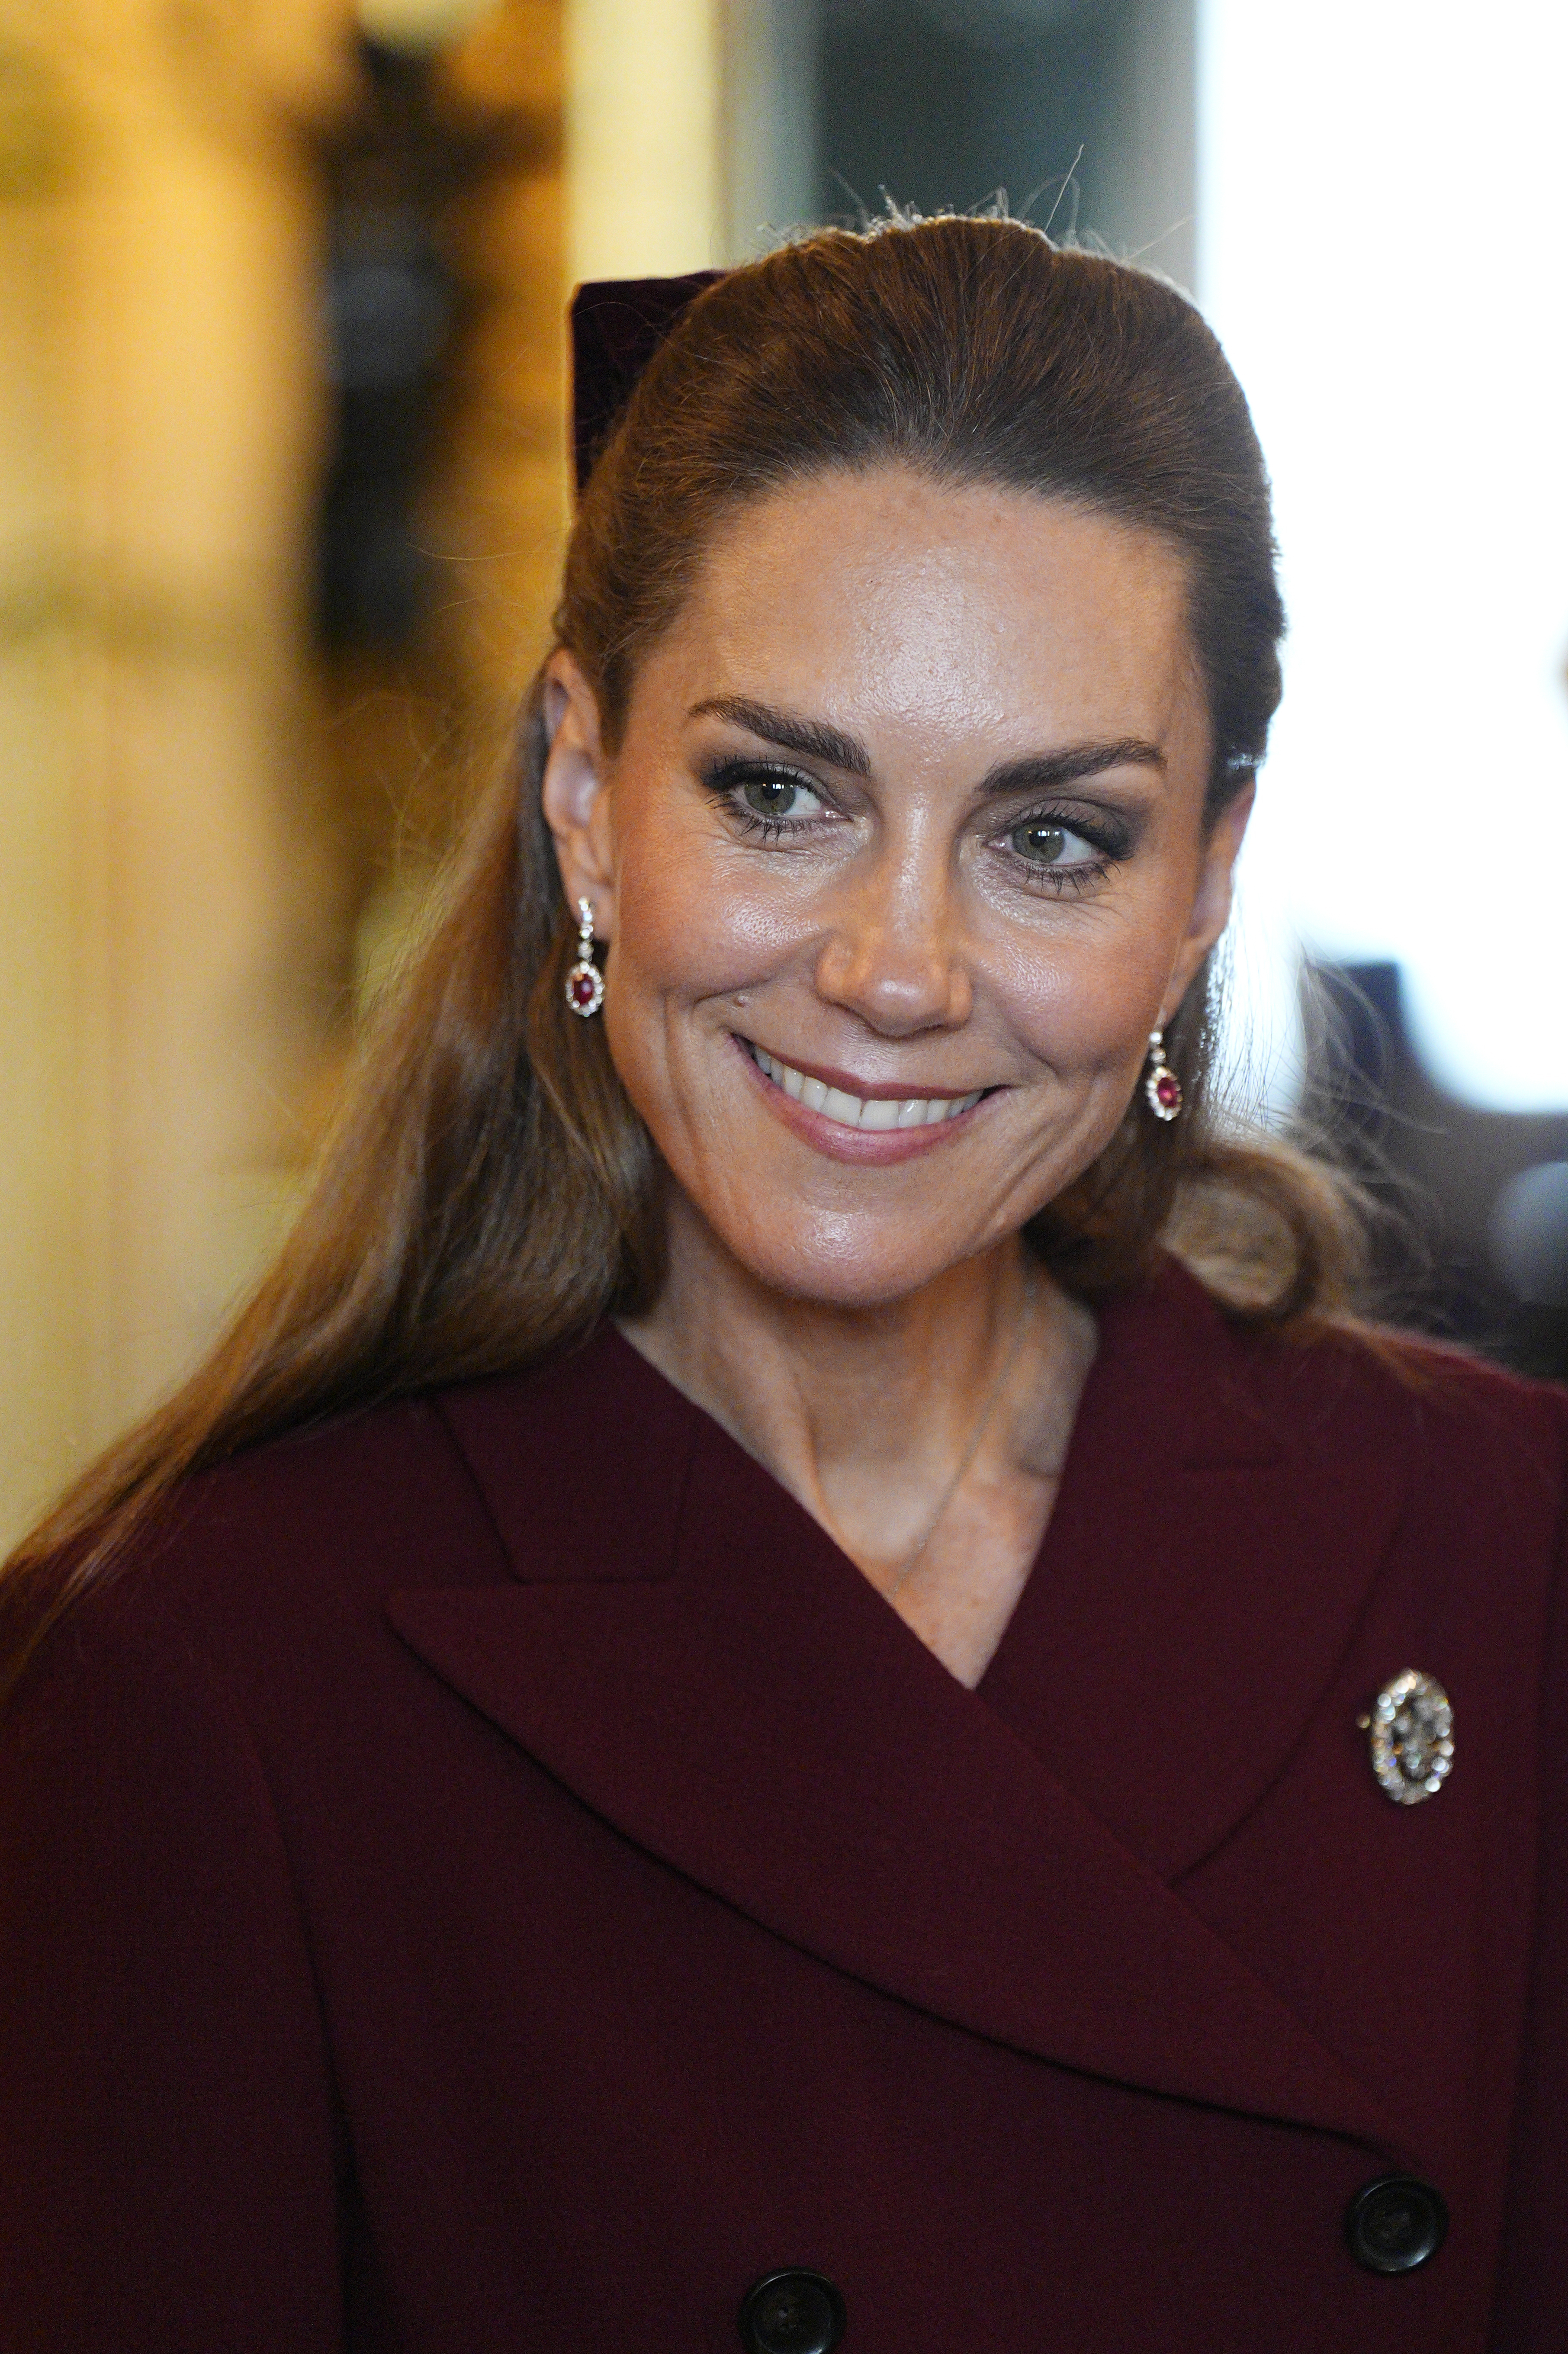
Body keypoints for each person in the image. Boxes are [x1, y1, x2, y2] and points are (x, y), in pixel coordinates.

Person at [1, 216, 1564, 2354]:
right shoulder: (198, 1683)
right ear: (585, 793)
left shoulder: (1507, 1555)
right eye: (779, 793)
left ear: (1207, 880)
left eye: (1056, 840)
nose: (894, 972)